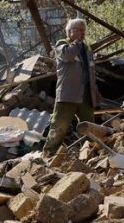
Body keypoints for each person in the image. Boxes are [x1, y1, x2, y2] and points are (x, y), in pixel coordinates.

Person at [43, 18, 100, 156]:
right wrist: (76, 42)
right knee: (59, 127)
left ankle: (89, 154)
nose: (82, 33)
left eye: (83, 30)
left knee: (88, 126)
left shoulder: (86, 49)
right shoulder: (62, 45)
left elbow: (90, 71)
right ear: (69, 32)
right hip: (68, 95)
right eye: (79, 30)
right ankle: (48, 154)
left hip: (86, 94)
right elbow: (68, 56)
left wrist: (95, 90)